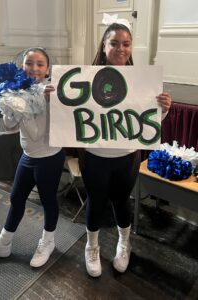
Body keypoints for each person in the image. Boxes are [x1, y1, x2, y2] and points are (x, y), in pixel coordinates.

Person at [81, 20, 172, 277]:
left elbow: (147, 122)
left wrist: (162, 110)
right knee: (95, 203)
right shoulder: (85, 77)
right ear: (104, 45)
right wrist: (56, 98)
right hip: (96, 156)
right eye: (114, 43)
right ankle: (92, 246)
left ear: (131, 47)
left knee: (122, 202)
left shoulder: (142, 81)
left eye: (126, 44)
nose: (120, 48)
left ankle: (124, 243)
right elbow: (73, 112)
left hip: (127, 157)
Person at [0, 47, 66, 268]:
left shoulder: (52, 91)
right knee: (16, 199)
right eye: (29, 63)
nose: (34, 68)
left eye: (40, 64)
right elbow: (9, 126)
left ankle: (48, 242)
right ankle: (3, 243)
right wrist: (8, 104)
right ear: (21, 67)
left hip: (49, 157)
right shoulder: (17, 90)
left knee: (48, 201)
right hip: (28, 156)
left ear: (48, 69)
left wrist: (51, 102)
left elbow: (42, 131)